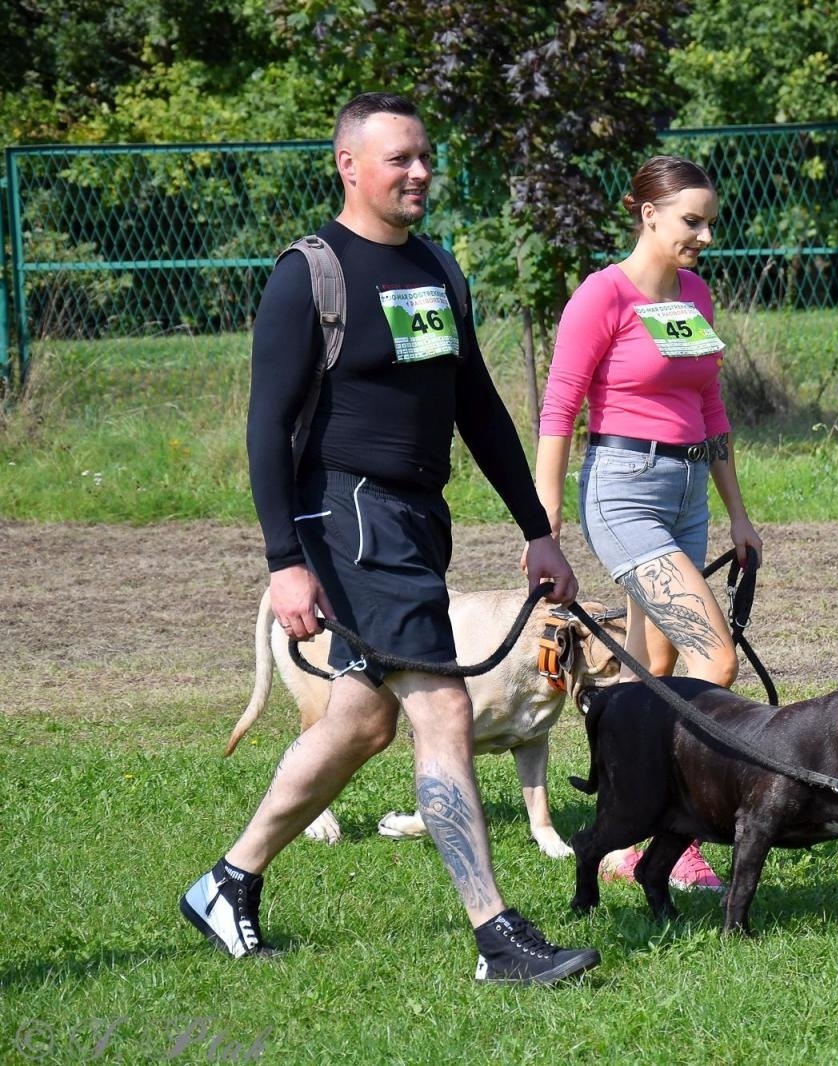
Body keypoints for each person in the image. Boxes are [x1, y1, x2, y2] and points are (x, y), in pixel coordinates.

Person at [180, 92, 599, 987]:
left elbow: (478, 406)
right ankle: (497, 936)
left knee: (363, 721)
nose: (418, 172)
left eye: (424, 157)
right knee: (442, 706)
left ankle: (226, 882)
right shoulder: (310, 274)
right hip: (347, 516)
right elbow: (267, 428)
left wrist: (538, 531)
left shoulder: (438, 268)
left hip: (414, 518)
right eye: (399, 158)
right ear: (349, 165)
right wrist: (284, 562)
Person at [536, 155, 762, 892]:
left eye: (710, 223)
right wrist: (544, 526)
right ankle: (677, 830)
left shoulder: (695, 294)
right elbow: (558, 411)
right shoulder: (601, 295)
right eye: (692, 221)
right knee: (714, 663)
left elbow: (711, 405)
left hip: (689, 491)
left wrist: (738, 513)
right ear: (649, 214)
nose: (705, 237)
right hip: (624, 491)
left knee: (653, 670)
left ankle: (620, 830)